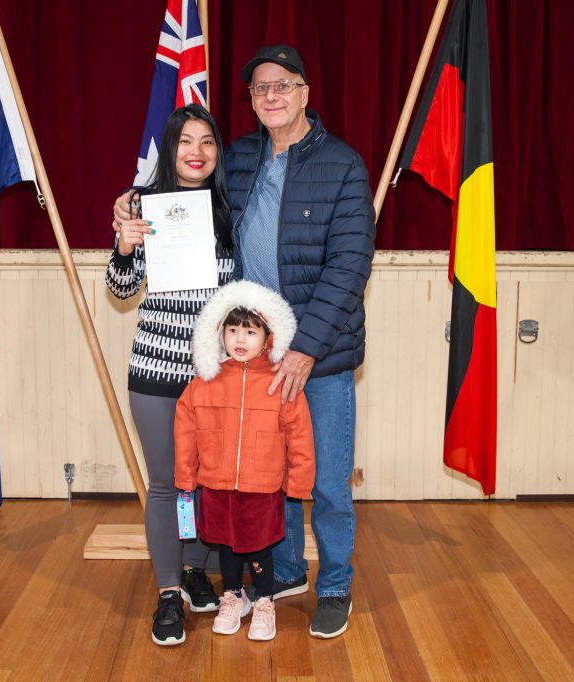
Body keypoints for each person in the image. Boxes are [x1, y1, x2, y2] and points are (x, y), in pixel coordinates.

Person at [114, 45, 375, 639]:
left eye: (283, 85)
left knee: (327, 480)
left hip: (320, 354)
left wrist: (305, 347)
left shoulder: (343, 164)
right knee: (266, 474)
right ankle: (281, 574)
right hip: (252, 358)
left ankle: (333, 584)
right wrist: (130, 208)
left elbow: (349, 265)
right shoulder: (242, 157)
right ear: (252, 102)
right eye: (260, 89)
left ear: (305, 92)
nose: (272, 96)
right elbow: (181, 185)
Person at [105, 103, 235, 647]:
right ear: (171, 147)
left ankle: (193, 569)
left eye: (207, 142)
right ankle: (166, 594)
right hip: (156, 371)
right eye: (186, 141)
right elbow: (119, 291)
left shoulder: (232, 208)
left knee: (206, 486)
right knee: (167, 485)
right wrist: (125, 246)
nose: (197, 152)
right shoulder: (139, 204)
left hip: (216, 377)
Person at [173, 280, 315, 641]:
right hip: (217, 483)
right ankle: (232, 597)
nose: (240, 339)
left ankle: (264, 601)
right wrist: (186, 477)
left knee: (259, 546)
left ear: (268, 336)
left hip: (262, 485)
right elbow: (186, 430)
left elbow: (299, 434)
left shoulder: (280, 382)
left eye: (250, 331)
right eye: (233, 330)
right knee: (226, 545)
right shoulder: (204, 382)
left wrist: (297, 482)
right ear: (219, 334)